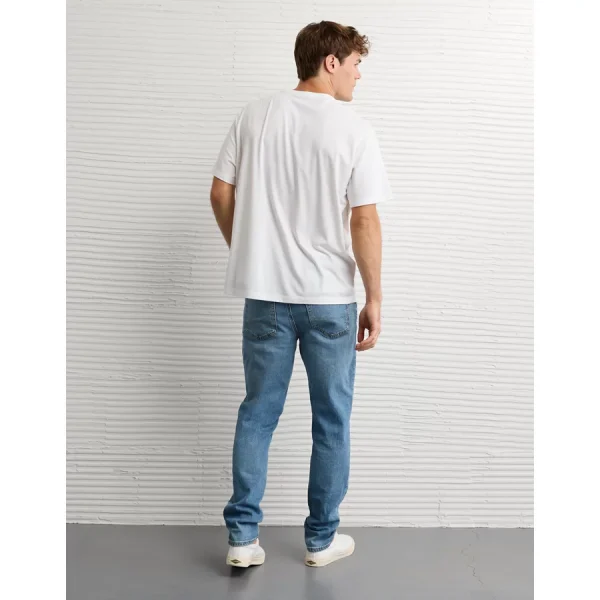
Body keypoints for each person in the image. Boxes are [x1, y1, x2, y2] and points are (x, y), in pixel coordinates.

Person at [210, 20, 392, 568]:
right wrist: (374, 296)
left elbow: (220, 192)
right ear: (330, 62)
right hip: (329, 298)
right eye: (355, 64)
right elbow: (364, 219)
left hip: (265, 295)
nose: (358, 75)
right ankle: (320, 540)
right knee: (331, 419)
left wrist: (248, 250)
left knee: (257, 413)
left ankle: (243, 540)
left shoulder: (254, 115)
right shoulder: (353, 128)